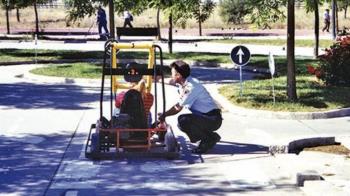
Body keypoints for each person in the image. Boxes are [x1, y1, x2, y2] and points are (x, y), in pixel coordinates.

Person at [158, 60, 223, 154]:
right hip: (207, 117)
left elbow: (177, 108)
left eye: (172, 73)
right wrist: (157, 79)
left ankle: (207, 140)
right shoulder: (184, 81)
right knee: (183, 122)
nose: (171, 76)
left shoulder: (191, 87)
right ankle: (211, 136)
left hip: (212, 119)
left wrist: (164, 114)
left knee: (183, 121)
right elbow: (171, 81)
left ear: (178, 75)